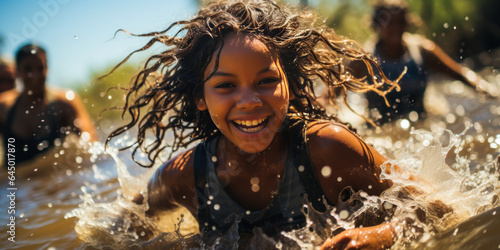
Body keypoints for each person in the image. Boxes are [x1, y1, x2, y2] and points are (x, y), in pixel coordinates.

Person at [106, 0, 403, 248]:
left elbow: (436, 205)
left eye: (267, 81)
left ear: (291, 84)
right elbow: (116, 234)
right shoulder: (184, 178)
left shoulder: (328, 149)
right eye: (225, 86)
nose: (249, 101)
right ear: (200, 97)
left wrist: (382, 234)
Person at [350, 0, 496, 125]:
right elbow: (332, 92)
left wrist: (490, 92)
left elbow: (460, 74)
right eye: (388, 22)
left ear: (408, 23)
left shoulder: (422, 50)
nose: (396, 27)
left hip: (421, 126)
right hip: (378, 130)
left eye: (401, 21)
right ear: (376, 25)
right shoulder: (363, 59)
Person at [0, 44, 97, 166]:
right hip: (16, 183)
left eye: (40, 68)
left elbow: (91, 149)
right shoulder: (3, 107)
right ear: (17, 72)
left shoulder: (65, 103)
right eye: (28, 69)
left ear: (47, 68)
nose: (35, 75)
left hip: (57, 181)